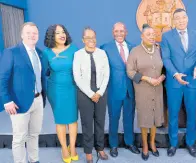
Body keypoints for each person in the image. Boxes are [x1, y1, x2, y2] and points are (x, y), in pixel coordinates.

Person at [160, 8, 196, 157]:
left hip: (192, 81)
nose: (180, 20)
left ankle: (191, 143)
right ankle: (173, 144)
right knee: (173, 114)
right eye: (177, 18)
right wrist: (175, 74)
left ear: (187, 18)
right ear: (174, 21)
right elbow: (166, 58)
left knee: (192, 113)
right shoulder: (166, 37)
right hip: (174, 83)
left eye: (183, 17)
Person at [0, 22, 47, 163]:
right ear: (22, 35)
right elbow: (2, 78)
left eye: (35, 33)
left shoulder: (40, 53)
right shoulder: (11, 52)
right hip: (18, 102)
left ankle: (34, 160)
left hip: (38, 101)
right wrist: (6, 101)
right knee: (19, 138)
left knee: (34, 135)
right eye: (28, 33)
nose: (32, 35)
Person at [100, 22, 140, 157]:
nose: (119, 34)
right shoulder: (105, 48)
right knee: (113, 118)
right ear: (113, 32)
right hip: (113, 90)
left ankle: (130, 143)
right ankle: (113, 145)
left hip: (130, 90)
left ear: (126, 32)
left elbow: (137, 69)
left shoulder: (133, 48)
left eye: (121, 31)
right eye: (116, 31)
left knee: (129, 118)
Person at [127, 24, 165, 161]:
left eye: (153, 34)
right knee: (145, 118)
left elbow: (165, 68)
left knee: (155, 117)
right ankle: (144, 145)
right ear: (142, 36)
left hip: (158, 89)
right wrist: (147, 78)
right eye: (148, 34)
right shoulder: (135, 51)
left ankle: (152, 143)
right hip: (143, 89)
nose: (151, 37)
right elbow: (130, 71)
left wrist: (161, 77)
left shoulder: (159, 50)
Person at [73, 27, 110, 163]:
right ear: (83, 40)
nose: (91, 40)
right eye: (88, 38)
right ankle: (88, 151)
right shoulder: (78, 55)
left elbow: (107, 74)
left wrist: (99, 92)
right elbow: (77, 77)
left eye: (93, 37)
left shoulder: (102, 53)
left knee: (100, 121)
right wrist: (90, 93)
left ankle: (100, 148)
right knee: (87, 123)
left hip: (101, 92)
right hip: (84, 93)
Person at [43, 24, 79, 163]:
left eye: (63, 32)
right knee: (60, 121)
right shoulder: (46, 53)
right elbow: (45, 72)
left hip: (72, 88)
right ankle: (64, 148)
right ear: (52, 36)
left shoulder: (74, 49)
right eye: (58, 33)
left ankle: (73, 147)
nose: (62, 35)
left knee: (72, 120)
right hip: (55, 91)